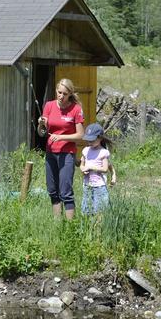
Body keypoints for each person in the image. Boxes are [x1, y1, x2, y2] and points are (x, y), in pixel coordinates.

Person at [37, 79, 85, 219]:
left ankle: (70, 229)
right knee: (52, 191)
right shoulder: (49, 106)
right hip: (51, 153)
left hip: (67, 154)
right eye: (59, 92)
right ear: (56, 91)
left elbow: (80, 135)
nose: (61, 96)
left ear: (70, 94)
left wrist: (62, 138)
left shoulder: (76, 109)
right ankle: (57, 224)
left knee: (66, 192)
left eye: (65, 94)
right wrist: (41, 124)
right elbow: (42, 133)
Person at [79, 123, 115, 216]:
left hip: (99, 186)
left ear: (100, 138)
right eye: (88, 140)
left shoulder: (103, 152)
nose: (90, 143)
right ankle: (88, 227)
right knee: (87, 209)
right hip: (87, 185)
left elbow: (105, 169)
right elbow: (81, 165)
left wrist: (90, 167)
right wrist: (83, 169)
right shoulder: (86, 150)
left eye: (92, 140)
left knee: (99, 210)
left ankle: (98, 229)